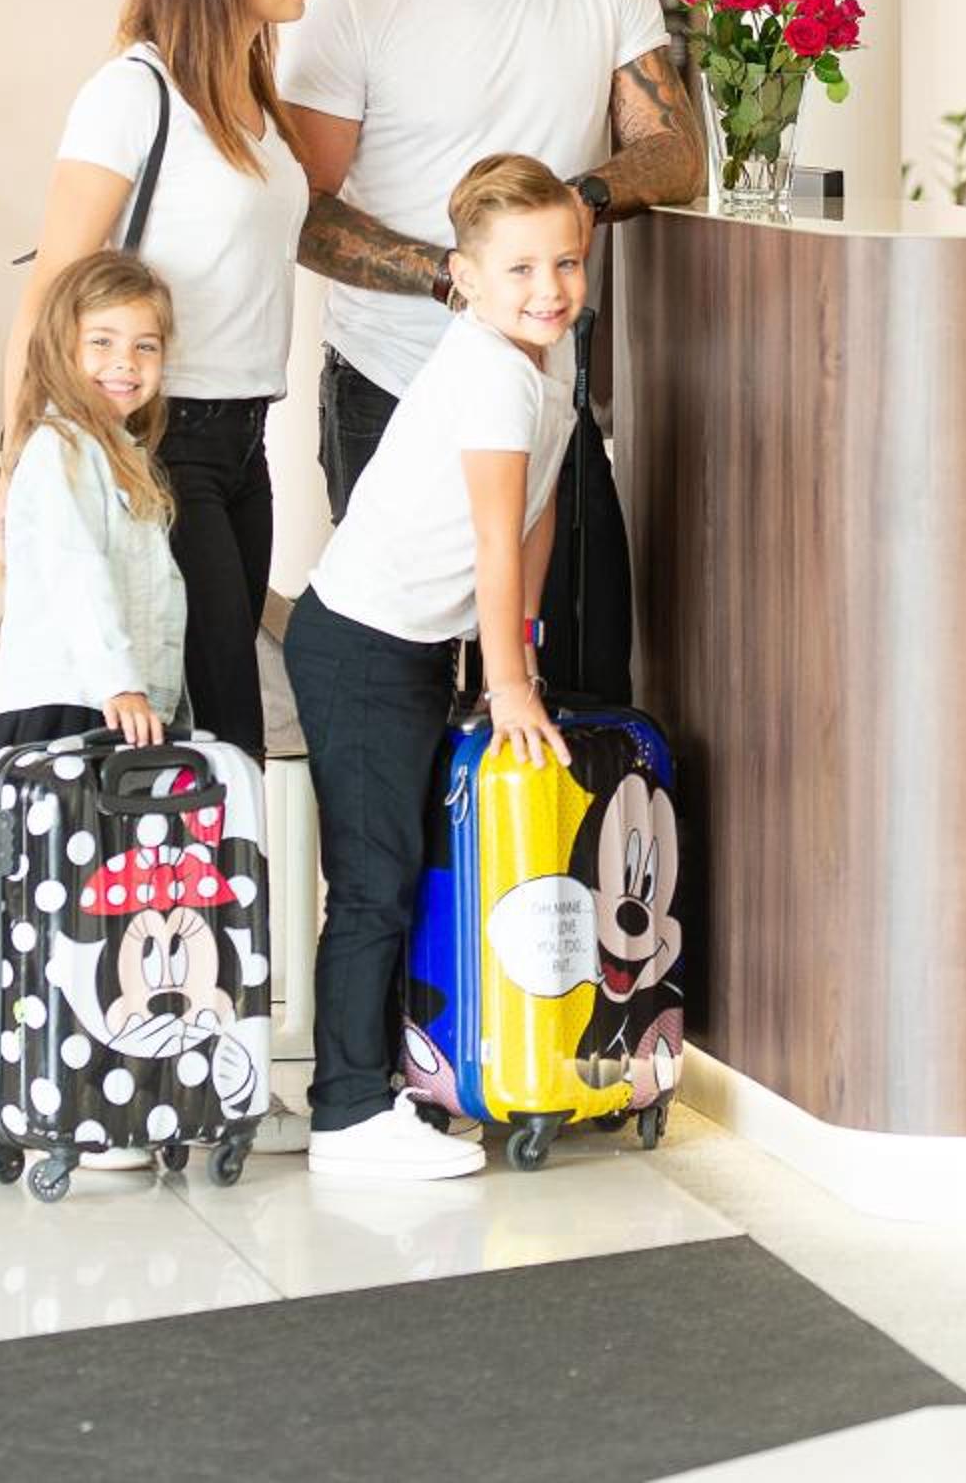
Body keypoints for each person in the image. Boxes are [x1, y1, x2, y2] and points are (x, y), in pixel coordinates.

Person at [281, 0, 704, 704]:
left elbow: (675, 151)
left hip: (544, 392)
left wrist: (569, 207)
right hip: (389, 387)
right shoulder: (359, 4)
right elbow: (306, 213)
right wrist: (457, 279)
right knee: (416, 686)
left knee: (579, 669)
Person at [283, 156, 584, 1182]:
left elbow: (535, 517)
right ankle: (346, 1116)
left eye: (566, 263)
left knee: (402, 871)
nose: (548, 289)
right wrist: (509, 689)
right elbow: (494, 541)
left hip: (408, 646)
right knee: (373, 882)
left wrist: (520, 653)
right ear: (464, 275)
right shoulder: (492, 372)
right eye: (520, 270)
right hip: (361, 646)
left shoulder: (545, 361)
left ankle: (391, 1086)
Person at [0, 0, 323, 763]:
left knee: (220, 715)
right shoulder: (132, 94)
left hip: (246, 439)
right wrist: (15, 470)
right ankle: (208, 864)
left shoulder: (255, 99)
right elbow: (51, 287)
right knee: (223, 726)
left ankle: (207, 862)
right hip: (160, 439)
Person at [0, 250, 182, 772]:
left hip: (111, 705)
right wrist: (121, 682)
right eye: (102, 341)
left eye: (145, 346)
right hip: (67, 709)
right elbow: (76, 573)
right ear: (62, 347)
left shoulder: (119, 453)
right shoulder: (61, 449)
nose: (126, 362)